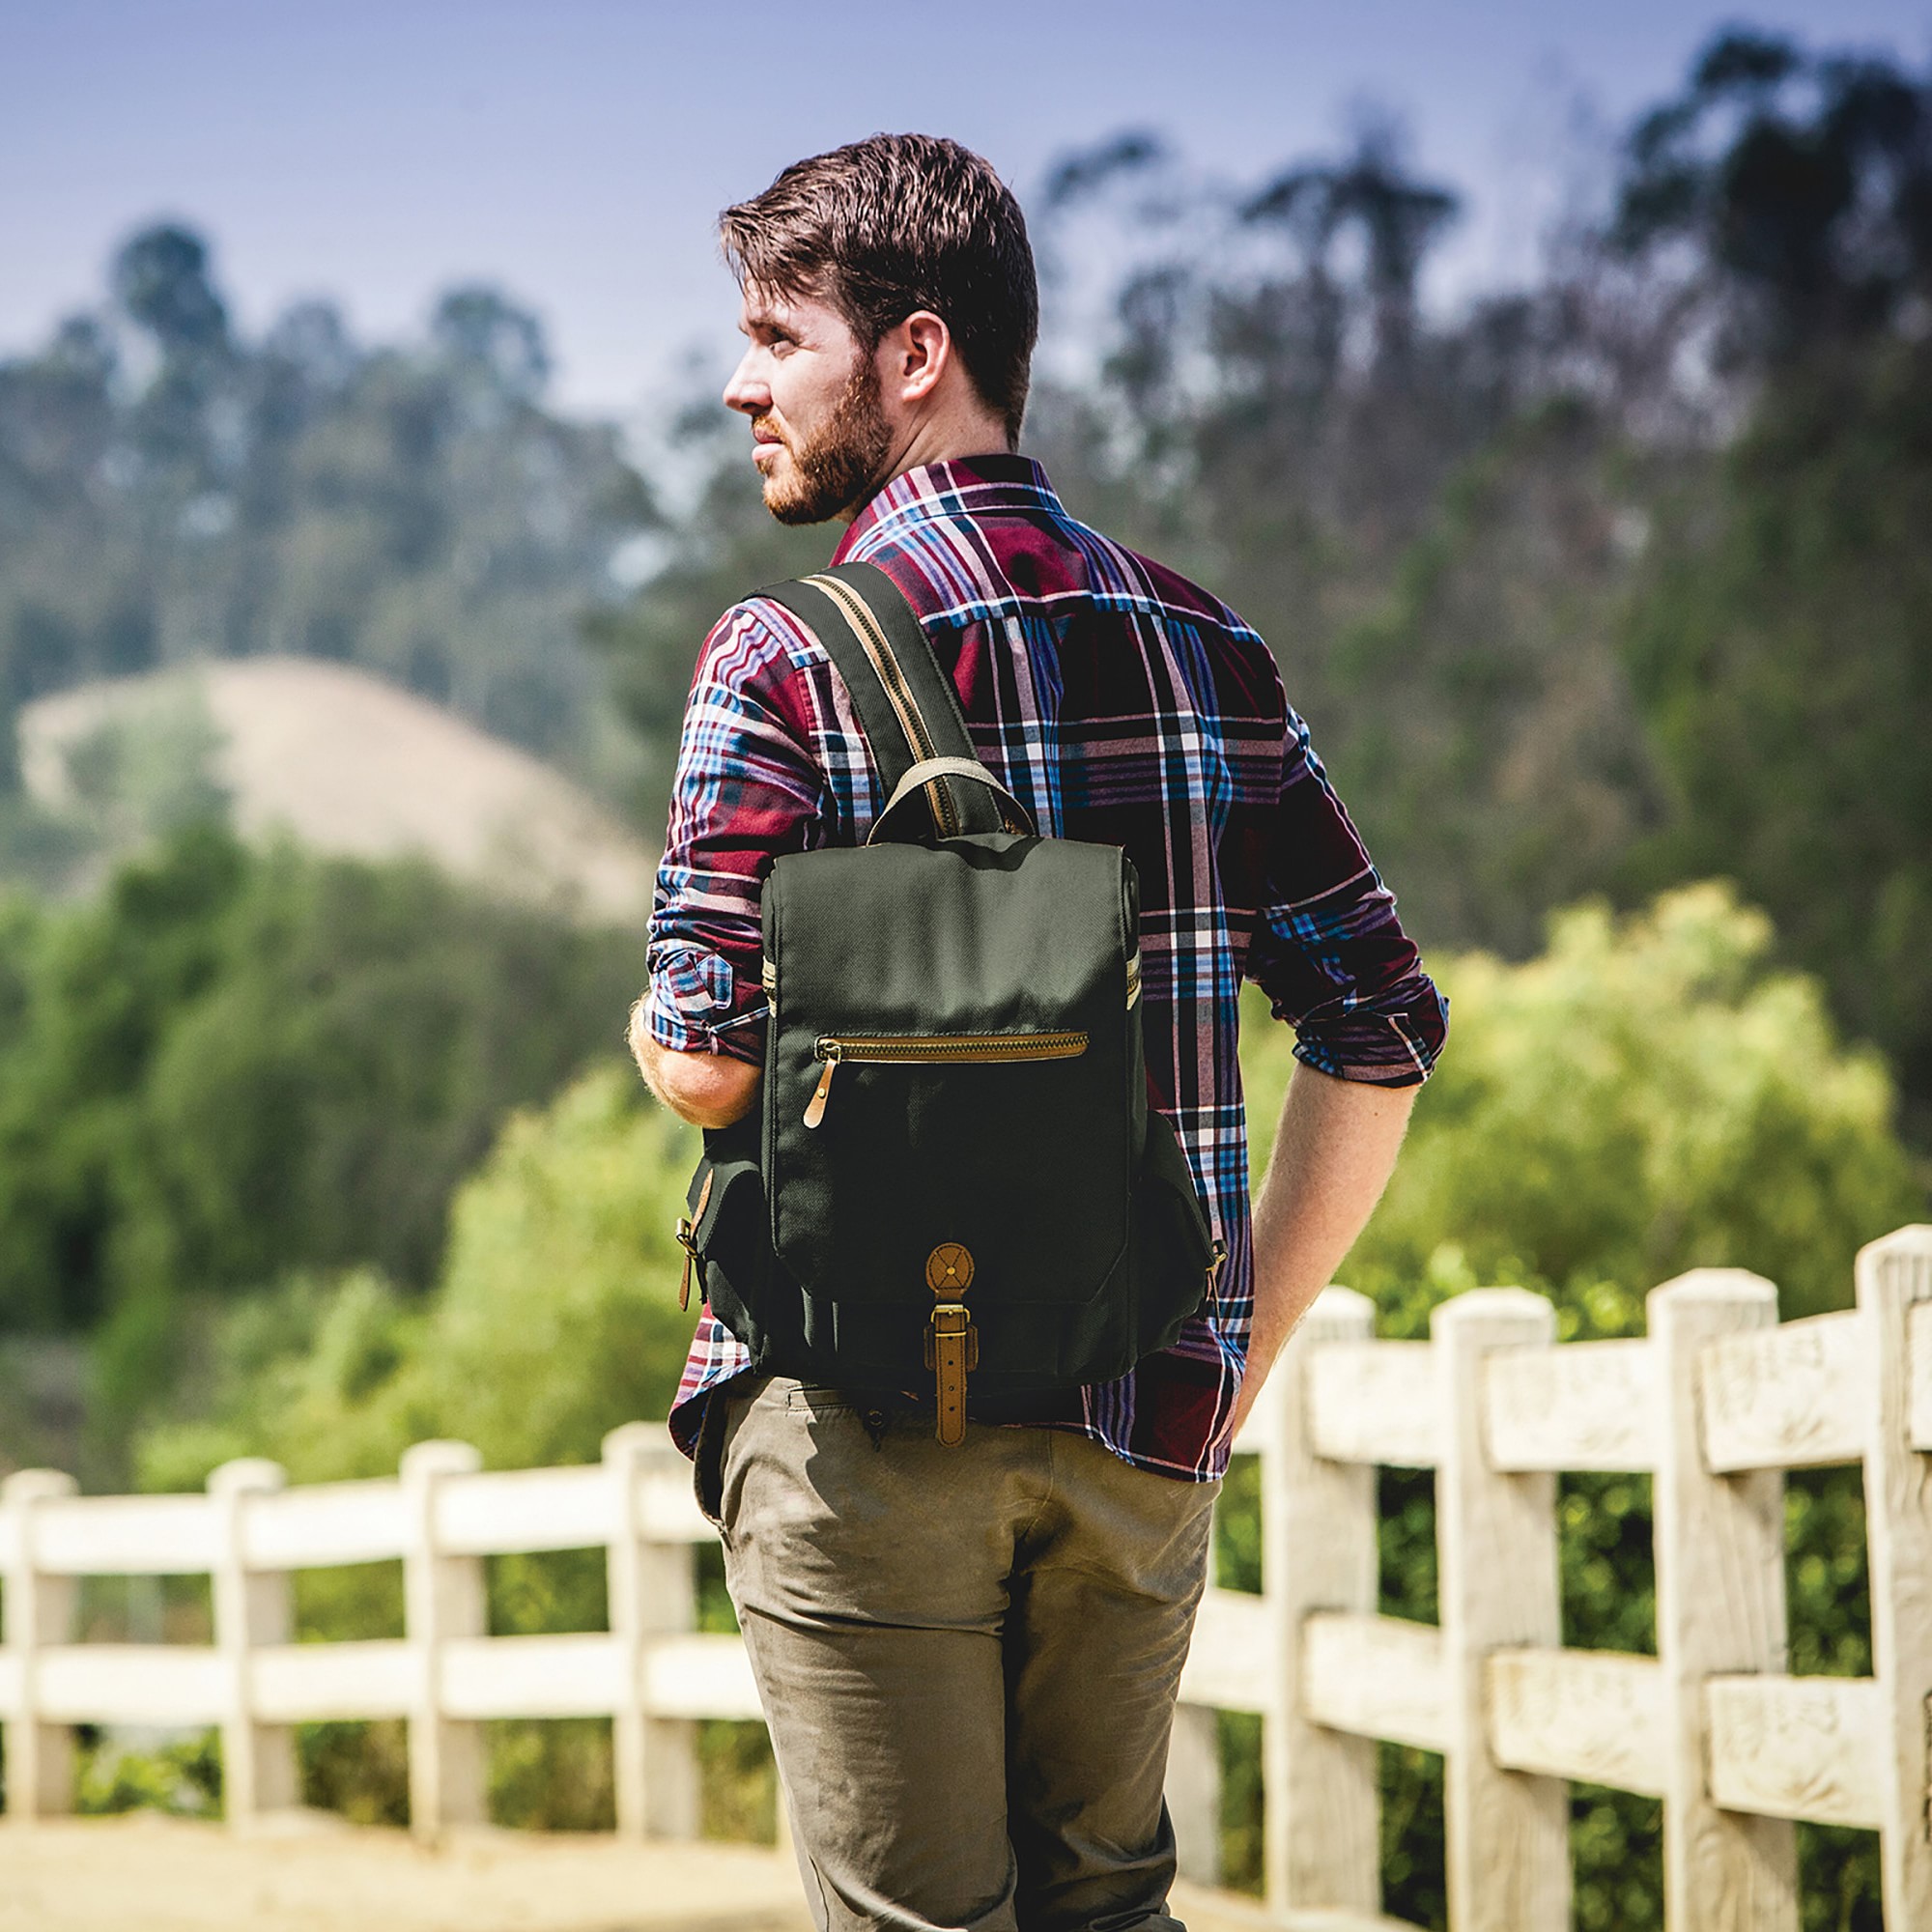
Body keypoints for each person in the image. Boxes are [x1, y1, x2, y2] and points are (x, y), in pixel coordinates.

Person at [630, 133, 1446, 1932]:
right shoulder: (1206, 650)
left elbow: (707, 1061)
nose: (741, 384)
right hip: (1142, 1407)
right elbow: (1382, 1024)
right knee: (1109, 1910)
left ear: (914, 353)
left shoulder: (781, 655)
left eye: (777, 338)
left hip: (858, 1415)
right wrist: (1236, 1341)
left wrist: (649, 1022)